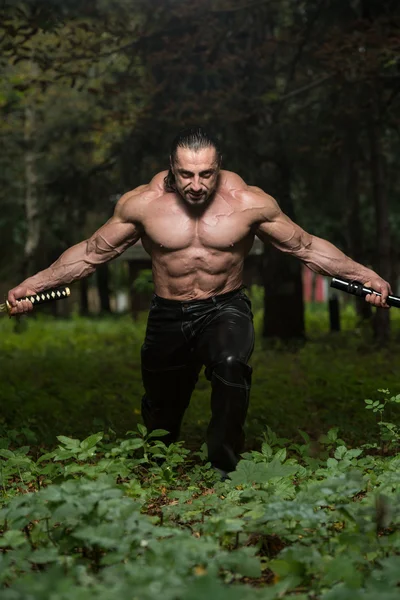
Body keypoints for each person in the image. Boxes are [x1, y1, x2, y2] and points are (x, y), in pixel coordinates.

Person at [7, 126, 391, 477]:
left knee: (230, 364)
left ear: (218, 168)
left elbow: (306, 247)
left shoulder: (248, 202)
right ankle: (157, 466)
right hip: (167, 313)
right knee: (162, 411)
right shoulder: (142, 204)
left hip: (224, 306)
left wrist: (365, 276)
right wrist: (34, 284)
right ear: (172, 169)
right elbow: (91, 253)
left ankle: (224, 466)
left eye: (205, 174)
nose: (196, 184)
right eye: (186, 174)